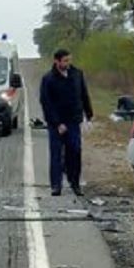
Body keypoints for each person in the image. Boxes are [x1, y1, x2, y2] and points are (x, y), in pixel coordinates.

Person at [40, 49, 93, 197]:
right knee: (56, 154)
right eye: (65, 61)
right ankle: (56, 185)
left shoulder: (77, 74)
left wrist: (88, 114)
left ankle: (75, 183)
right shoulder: (48, 79)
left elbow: (83, 94)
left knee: (75, 152)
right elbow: (46, 103)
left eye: (69, 60)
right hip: (56, 123)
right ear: (56, 61)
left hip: (73, 121)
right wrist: (57, 123)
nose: (68, 63)